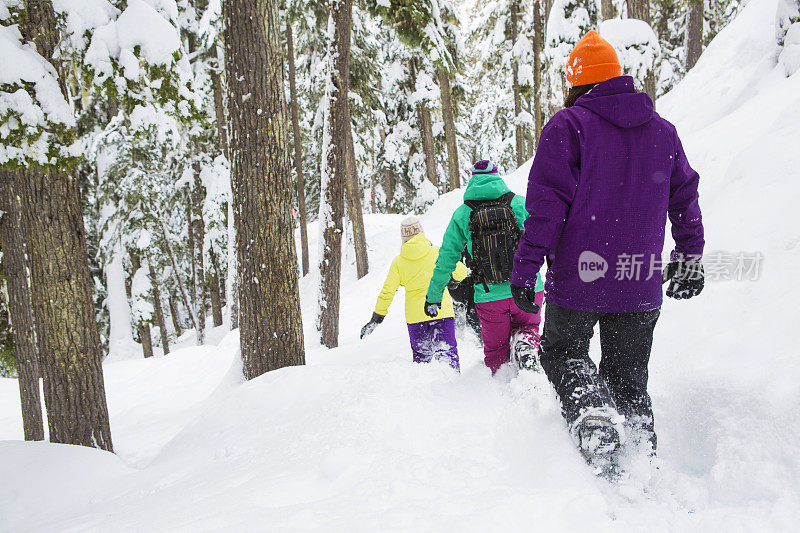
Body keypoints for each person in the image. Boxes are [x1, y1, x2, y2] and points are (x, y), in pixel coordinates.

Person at [510, 31, 705, 465]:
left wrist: (525, 270)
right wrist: (689, 258)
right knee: (629, 377)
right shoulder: (663, 131)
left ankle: (595, 422)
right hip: (639, 281)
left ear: (576, 82)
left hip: (582, 277)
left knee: (564, 353)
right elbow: (685, 198)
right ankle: (640, 455)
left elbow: (546, 210)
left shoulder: (568, 127)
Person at [425, 161, 544, 375]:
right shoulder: (519, 204)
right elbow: (546, 240)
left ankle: (499, 391)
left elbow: (446, 259)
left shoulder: (463, 214)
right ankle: (525, 346)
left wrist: (433, 296)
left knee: (496, 352)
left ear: (472, 179)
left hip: (490, 296)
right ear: (497, 177)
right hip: (528, 288)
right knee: (528, 328)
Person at [360, 216, 467, 372]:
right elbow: (461, 271)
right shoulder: (437, 252)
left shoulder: (398, 262)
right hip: (441, 311)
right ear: (421, 233)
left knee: (421, 363)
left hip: (416, 318)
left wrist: (377, 317)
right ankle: (451, 390)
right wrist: (453, 279)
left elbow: (387, 292)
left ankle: (422, 394)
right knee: (447, 356)